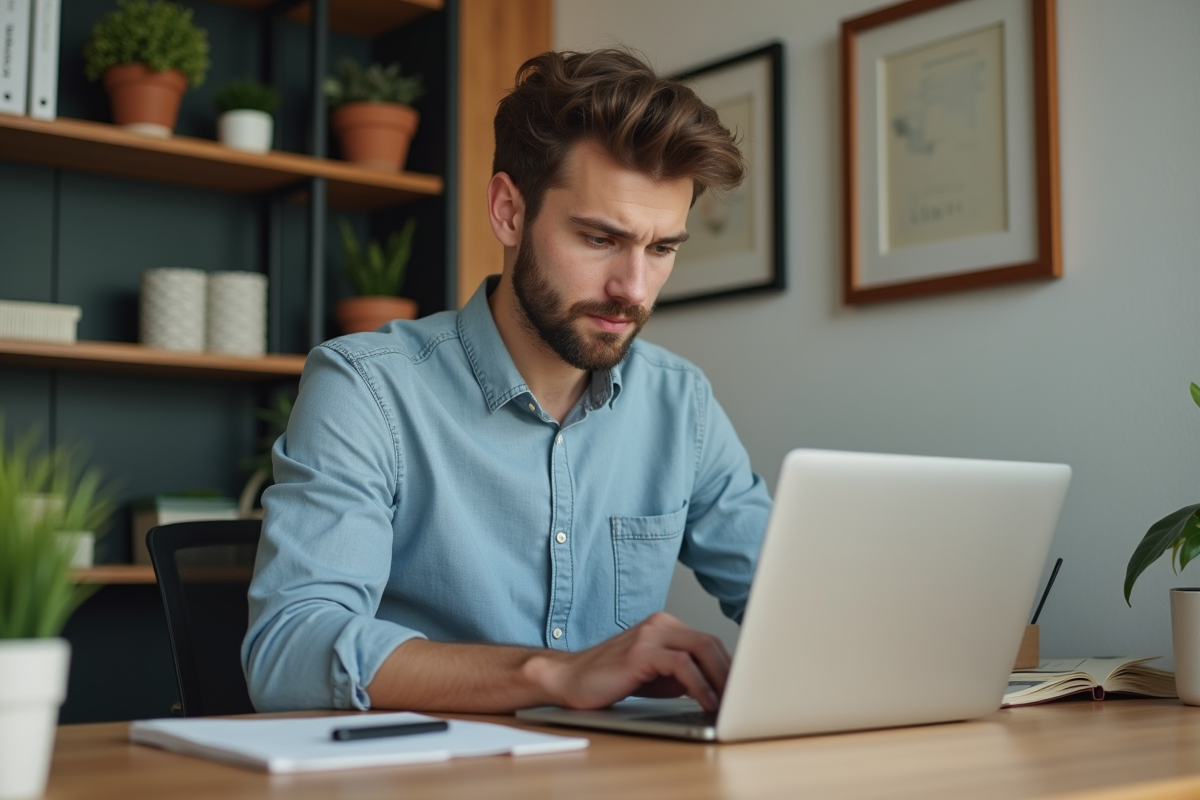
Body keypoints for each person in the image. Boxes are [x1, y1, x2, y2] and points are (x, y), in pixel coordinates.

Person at [242, 48, 772, 714]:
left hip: (626, 766)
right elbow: (288, 654)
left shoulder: (680, 403)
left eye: (661, 248)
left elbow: (797, 599)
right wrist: (553, 675)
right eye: (600, 239)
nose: (634, 289)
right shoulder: (366, 389)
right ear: (509, 212)